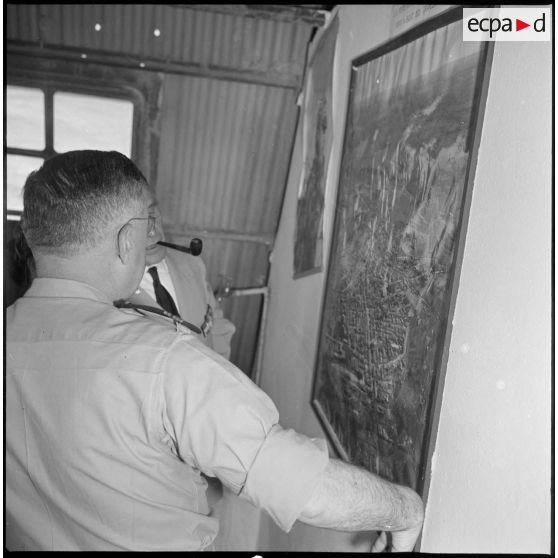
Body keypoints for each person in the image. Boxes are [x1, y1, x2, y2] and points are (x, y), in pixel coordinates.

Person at [5, 150, 424, 552]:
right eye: (144, 223)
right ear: (126, 240)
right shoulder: (165, 360)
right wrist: (405, 510)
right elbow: (302, 485)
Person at [128, 200, 236, 360]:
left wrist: (219, 367)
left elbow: (217, 324)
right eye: (135, 223)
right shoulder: (109, 294)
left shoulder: (190, 263)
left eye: (151, 215)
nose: (152, 232)